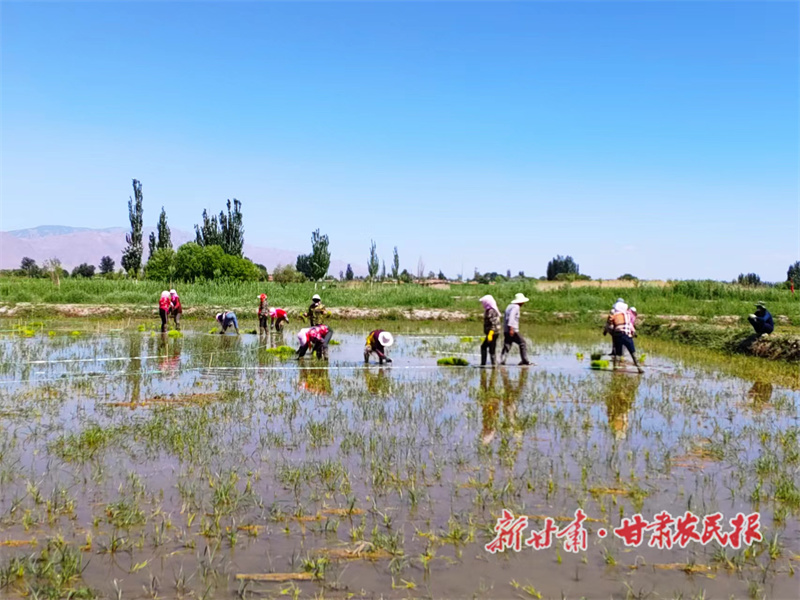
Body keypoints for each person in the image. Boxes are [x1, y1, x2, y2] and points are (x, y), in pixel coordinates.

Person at [604, 308, 644, 373]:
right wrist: (634, 332)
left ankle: (615, 369)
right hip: (627, 336)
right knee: (633, 353)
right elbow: (630, 325)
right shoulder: (627, 315)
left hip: (617, 335)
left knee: (618, 354)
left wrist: (608, 332)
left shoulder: (614, 316)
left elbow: (609, 326)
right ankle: (639, 368)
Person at [500, 293, 532, 366]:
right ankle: (524, 360)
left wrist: (507, 329)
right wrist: (511, 329)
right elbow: (511, 317)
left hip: (506, 329)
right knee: (522, 343)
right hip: (513, 329)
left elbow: (506, 318)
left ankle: (502, 360)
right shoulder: (516, 307)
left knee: (507, 344)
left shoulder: (509, 306)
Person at [479, 294, 502, 366]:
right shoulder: (489, 310)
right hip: (493, 333)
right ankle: (492, 365)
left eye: (483, 302)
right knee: (491, 349)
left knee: (485, 348)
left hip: (493, 333)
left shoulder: (491, 311)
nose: (482, 304)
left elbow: (494, 323)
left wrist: (490, 334)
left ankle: (485, 365)